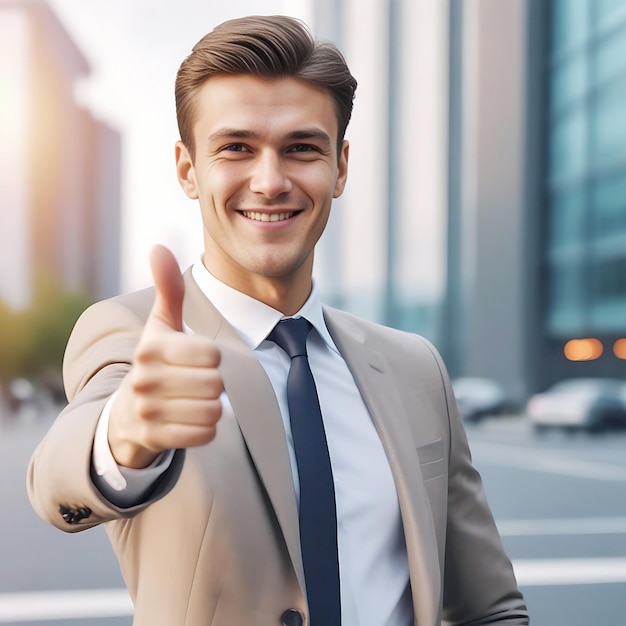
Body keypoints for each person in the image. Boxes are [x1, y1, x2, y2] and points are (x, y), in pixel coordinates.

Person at [27, 15, 529, 626]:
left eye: (301, 148)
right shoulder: (129, 335)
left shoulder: (414, 366)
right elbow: (57, 482)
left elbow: (488, 607)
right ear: (188, 169)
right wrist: (124, 434)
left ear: (340, 167)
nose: (270, 181)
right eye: (236, 147)